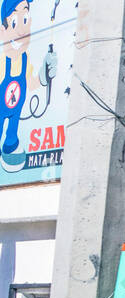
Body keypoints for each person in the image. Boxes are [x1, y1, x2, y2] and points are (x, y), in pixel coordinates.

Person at [0, 0, 32, 173]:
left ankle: (11, 143)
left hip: (16, 106)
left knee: (13, 126)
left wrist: (46, 73)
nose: (21, 30)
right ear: (2, 31)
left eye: (25, 20)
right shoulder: (1, 61)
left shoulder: (26, 60)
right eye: (14, 22)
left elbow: (34, 80)